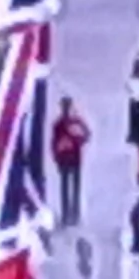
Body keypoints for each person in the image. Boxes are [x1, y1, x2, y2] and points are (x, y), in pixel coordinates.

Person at [51, 96, 91, 228]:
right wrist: (56, 157)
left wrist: (78, 140)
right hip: (66, 159)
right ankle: (66, 216)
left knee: (74, 187)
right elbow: (54, 143)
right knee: (66, 188)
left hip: (74, 158)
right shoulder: (59, 124)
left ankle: (74, 215)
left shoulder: (75, 122)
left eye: (67, 106)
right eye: (64, 106)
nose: (66, 109)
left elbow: (87, 135)